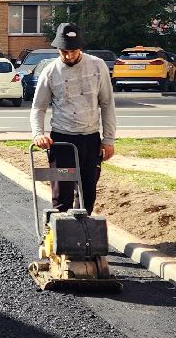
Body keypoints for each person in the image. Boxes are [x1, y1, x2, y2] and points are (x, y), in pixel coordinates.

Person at [30, 22, 117, 212]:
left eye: (73, 51)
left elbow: (107, 104)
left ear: (80, 48)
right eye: (64, 52)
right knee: (62, 195)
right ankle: (57, 234)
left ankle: (82, 235)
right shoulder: (50, 71)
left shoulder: (97, 66)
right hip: (62, 142)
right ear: (58, 49)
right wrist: (38, 134)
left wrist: (108, 140)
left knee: (88, 194)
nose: (69, 56)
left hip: (90, 140)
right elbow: (38, 107)